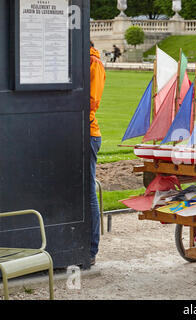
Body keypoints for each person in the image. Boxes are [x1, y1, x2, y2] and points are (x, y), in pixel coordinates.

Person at [89, 41, 106, 266]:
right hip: (84, 131)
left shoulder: (93, 63)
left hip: (88, 132)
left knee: (87, 189)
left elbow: (91, 101)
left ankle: (91, 248)